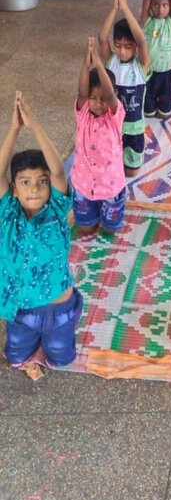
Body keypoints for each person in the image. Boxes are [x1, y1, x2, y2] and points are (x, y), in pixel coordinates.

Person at [0, 92, 83, 370]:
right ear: (14, 189)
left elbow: (58, 171)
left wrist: (34, 125)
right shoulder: (7, 214)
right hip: (20, 310)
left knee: (60, 359)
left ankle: (58, 337)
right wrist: (14, 129)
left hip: (59, 310)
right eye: (25, 182)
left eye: (42, 181)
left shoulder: (57, 211)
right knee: (15, 357)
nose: (34, 188)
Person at [70, 38, 126, 234]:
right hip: (84, 184)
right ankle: (91, 215)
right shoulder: (83, 115)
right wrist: (86, 65)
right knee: (86, 228)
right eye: (93, 98)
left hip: (110, 185)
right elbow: (82, 93)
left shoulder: (114, 117)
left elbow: (109, 95)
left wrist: (99, 64)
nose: (98, 103)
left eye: (103, 99)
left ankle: (109, 220)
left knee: (111, 230)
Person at [98, 0, 150, 176]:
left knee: (131, 173)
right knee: (111, 168)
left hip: (134, 129)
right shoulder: (111, 61)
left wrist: (126, 8)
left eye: (128, 46)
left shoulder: (141, 66)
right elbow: (102, 38)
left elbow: (142, 40)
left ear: (135, 47)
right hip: (112, 127)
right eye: (118, 45)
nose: (122, 51)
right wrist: (114, 8)